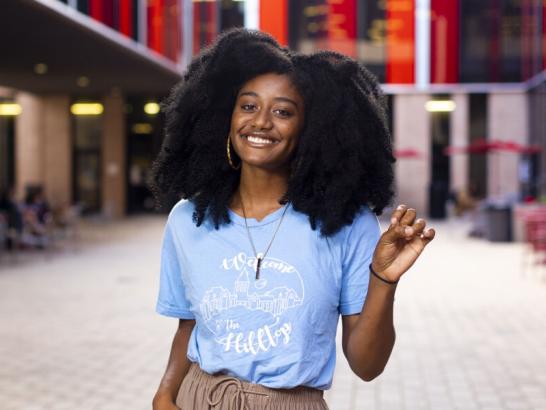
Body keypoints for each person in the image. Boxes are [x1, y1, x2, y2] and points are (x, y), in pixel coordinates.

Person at [151, 29, 435, 410]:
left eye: (283, 111)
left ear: (311, 131)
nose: (261, 122)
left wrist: (384, 281)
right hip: (199, 398)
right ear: (225, 115)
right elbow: (190, 326)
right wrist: (165, 394)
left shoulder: (345, 225)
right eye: (248, 106)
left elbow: (367, 365)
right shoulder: (188, 220)